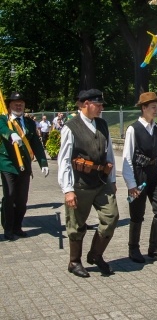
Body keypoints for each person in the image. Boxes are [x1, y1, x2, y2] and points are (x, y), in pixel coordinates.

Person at [58, 89, 119, 278]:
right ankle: (74, 262)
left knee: (111, 217)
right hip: (80, 184)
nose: (101, 108)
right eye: (98, 104)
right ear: (85, 104)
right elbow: (64, 160)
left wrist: (113, 179)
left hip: (101, 181)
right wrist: (68, 190)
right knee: (76, 224)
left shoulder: (102, 124)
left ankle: (95, 255)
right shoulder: (71, 127)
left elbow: (109, 154)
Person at [122, 92, 157, 263]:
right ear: (144, 108)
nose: (156, 110)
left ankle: (155, 247)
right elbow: (127, 158)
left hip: (154, 175)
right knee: (137, 213)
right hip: (139, 176)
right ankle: (133, 248)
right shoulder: (134, 129)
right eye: (153, 107)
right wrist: (131, 184)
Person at [0, 92, 49, 240]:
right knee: (9, 196)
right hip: (8, 164)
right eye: (15, 103)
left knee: (22, 200)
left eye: (21, 103)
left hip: (25, 166)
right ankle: (8, 228)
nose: (19, 105)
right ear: (9, 105)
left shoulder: (29, 123)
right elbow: (2, 129)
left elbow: (36, 144)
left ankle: (17, 227)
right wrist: (10, 134)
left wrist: (43, 162)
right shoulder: (4, 119)